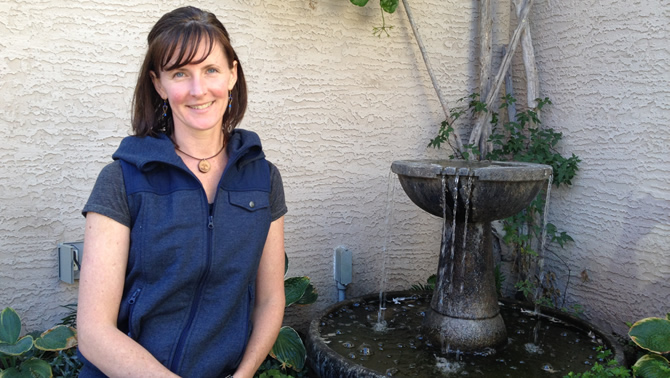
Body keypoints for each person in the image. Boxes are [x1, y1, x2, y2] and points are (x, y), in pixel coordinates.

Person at [76, 6, 286, 377]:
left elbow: (269, 299)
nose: (197, 89)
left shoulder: (262, 178)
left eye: (210, 70)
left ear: (232, 75)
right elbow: (94, 332)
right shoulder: (122, 180)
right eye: (179, 73)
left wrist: (245, 373)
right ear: (159, 84)